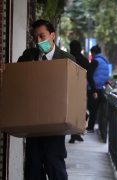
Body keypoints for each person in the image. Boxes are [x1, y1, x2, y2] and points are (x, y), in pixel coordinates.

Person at [18, 19, 75, 180]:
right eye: (34, 37)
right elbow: (18, 80)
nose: (38, 41)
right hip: (33, 122)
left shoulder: (67, 59)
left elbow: (75, 90)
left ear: (52, 35)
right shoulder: (28, 56)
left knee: (54, 163)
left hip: (55, 122)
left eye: (42, 36)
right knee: (33, 167)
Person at [68, 40, 89, 143]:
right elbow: (88, 75)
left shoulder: (69, 58)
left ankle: (74, 135)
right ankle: (77, 133)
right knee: (80, 112)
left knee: (72, 112)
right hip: (81, 89)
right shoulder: (84, 60)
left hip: (70, 88)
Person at [87, 45, 109, 132]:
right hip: (102, 89)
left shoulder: (95, 61)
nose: (91, 55)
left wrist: (93, 90)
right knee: (99, 110)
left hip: (94, 89)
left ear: (94, 53)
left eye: (91, 54)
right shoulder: (105, 61)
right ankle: (101, 129)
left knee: (92, 109)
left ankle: (90, 127)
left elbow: (89, 75)